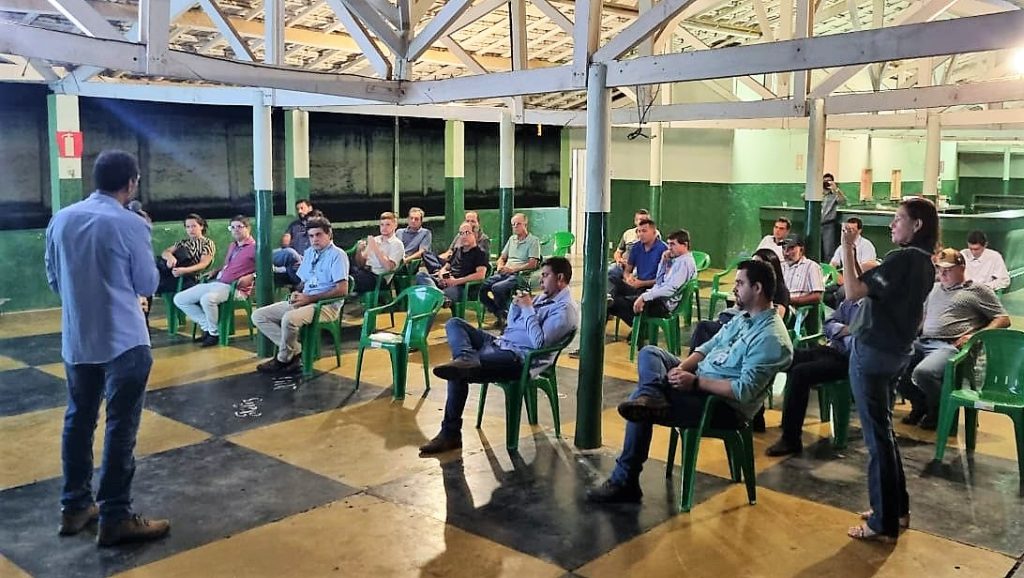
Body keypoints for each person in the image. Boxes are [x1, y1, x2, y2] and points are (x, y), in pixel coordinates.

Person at [586, 260, 793, 503]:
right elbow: (708, 347)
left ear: (757, 288)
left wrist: (694, 383)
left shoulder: (771, 338)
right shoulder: (744, 318)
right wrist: (681, 369)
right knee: (651, 353)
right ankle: (652, 395)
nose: (734, 288)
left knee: (639, 405)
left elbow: (743, 390)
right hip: (699, 380)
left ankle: (625, 479)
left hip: (720, 405)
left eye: (739, 283)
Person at [44, 150, 170, 546]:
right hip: (124, 340)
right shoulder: (130, 223)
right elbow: (147, 284)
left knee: (78, 420)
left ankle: (74, 507)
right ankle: (116, 516)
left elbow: (53, 279)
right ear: (131, 183)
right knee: (121, 426)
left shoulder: (61, 219)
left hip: (78, 338)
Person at [841, 196, 939, 542]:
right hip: (897, 352)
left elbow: (853, 291)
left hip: (873, 352)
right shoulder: (925, 263)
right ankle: (896, 508)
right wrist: (854, 256)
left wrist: (846, 247)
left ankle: (882, 522)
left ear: (917, 225)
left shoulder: (902, 260)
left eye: (898, 218)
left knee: (876, 437)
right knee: (884, 431)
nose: (892, 225)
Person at [419, 257, 579, 454]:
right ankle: (466, 358)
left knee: (456, 372)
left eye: (545, 276)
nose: (541, 280)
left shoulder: (565, 310)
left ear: (560, 278)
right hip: (501, 343)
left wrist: (528, 309)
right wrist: (516, 307)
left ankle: (450, 433)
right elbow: (511, 327)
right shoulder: (543, 297)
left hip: (517, 357)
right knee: (455, 324)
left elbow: (539, 343)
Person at [898, 248, 1010, 429]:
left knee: (923, 373)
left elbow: (1003, 319)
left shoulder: (977, 290)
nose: (942, 274)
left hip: (949, 346)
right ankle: (920, 405)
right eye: (940, 269)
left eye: (948, 270)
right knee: (890, 363)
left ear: (962, 267)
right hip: (923, 341)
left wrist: (974, 335)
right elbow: (924, 318)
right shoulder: (934, 288)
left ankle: (939, 411)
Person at [765, 282, 872, 457]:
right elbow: (828, 324)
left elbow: (860, 343)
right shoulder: (849, 303)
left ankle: (791, 439)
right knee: (786, 357)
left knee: (801, 373)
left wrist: (842, 332)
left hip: (849, 360)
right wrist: (847, 330)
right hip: (829, 350)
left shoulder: (874, 310)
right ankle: (758, 417)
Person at [251, 217, 349, 374]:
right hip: (306, 300)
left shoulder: (338, 255)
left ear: (329, 234)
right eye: (311, 236)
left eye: (318, 235)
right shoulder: (309, 253)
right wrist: (297, 292)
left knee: (289, 319)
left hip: (326, 305)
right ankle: (295, 351)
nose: (314, 239)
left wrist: (309, 298)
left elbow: (342, 290)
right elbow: (303, 281)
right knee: (259, 315)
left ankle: (283, 359)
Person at [173, 215, 257, 347]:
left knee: (207, 299)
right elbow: (229, 266)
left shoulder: (255, 248)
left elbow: (269, 268)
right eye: (232, 227)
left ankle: (214, 334)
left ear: (248, 228)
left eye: (239, 227)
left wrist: (253, 276)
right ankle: (207, 327)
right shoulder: (233, 246)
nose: (235, 230)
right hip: (218, 283)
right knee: (180, 299)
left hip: (235, 288)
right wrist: (217, 270)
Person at [607, 229, 696, 328]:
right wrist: (663, 262)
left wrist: (644, 297)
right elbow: (659, 281)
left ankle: (641, 328)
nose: (669, 248)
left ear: (685, 245)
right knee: (613, 281)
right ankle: (609, 300)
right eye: (668, 244)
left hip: (661, 304)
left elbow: (670, 289)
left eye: (672, 244)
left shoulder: (684, 263)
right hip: (655, 295)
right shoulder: (677, 260)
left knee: (614, 303)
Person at [480, 213, 541, 328]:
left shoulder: (533, 241)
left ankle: (506, 316)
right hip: (505, 272)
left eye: (518, 224)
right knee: (481, 288)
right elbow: (502, 258)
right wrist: (500, 266)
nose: (515, 227)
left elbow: (532, 264)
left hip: (519, 275)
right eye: (513, 224)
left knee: (497, 288)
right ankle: (501, 314)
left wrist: (512, 269)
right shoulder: (511, 239)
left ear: (525, 224)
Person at [608, 218, 668, 326]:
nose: (640, 234)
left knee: (615, 304)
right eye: (639, 231)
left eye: (644, 231)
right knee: (611, 279)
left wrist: (642, 283)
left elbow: (664, 280)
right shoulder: (636, 247)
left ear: (654, 233)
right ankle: (608, 300)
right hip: (637, 287)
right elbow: (627, 271)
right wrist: (628, 278)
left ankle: (639, 327)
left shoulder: (663, 250)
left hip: (652, 291)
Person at [415, 221, 489, 305]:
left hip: (462, 287)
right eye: (461, 233)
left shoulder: (480, 253)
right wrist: (442, 277)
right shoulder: (457, 250)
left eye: (467, 233)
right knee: (421, 275)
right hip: (448, 281)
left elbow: (480, 275)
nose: (463, 236)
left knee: (430, 295)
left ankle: (438, 295)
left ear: (475, 234)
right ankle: (439, 294)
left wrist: (455, 281)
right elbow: (445, 267)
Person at [155, 213, 215, 294]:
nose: (191, 229)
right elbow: (166, 252)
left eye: (194, 226)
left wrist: (184, 270)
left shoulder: (207, 243)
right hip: (172, 272)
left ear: (201, 226)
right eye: (188, 227)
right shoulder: (183, 242)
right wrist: (170, 257)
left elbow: (204, 264)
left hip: (190, 277)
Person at [352, 211, 406, 293]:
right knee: (343, 271)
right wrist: (359, 251)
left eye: (388, 225)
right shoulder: (376, 239)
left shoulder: (397, 244)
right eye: (382, 225)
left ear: (395, 226)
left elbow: (388, 267)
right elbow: (361, 264)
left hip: (379, 278)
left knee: (350, 280)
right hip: (366, 271)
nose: (384, 227)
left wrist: (375, 248)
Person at [424, 211, 491, 273]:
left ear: (478, 223)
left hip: (465, 266)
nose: (470, 223)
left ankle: (439, 272)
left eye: (473, 221)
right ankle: (438, 271)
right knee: (427, 255)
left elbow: (480, 260)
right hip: (451, 261)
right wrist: (438, 259)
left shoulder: (484, 239)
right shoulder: (459, 235)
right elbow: (450, 251)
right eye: (467, 221)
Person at [272, 199, 318, 286]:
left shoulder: (318, 227)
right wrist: (286, 238)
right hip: (294, 261)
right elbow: (285, 242)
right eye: (298, 209)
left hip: (307, 264)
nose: (299, 211)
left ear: (310, 208)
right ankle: (260, 260)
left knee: (290, 253)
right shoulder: (294, 225)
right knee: (283, 259)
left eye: (302, 208)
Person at [609, 209, 661, 286]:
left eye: (646, 220)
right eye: (641, 220)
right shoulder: (628, 233)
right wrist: (619, 260)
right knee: (610, 271)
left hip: (639, 266)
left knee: (633, 278)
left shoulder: (654, 235)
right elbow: (618, 251)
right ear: (635, 221)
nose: (643, 222)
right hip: (623, 264)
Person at [782, 235, 824, 307]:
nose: (786, 253)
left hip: (797, 308)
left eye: (791, 248)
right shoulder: (780, 266)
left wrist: (790, 301)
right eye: (783, 248)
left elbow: (817, 296)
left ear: (801, 250)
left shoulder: (811, 266)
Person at [821, 173, 847, 258]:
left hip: (828, 225)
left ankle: (829, 265)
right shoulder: (818, 194)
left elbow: (843, 201)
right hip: (816, 225)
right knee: (814, 249)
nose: (826, 183)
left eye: (828, 181)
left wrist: (836, 189)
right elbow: (803, 196)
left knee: (828, 251)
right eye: (824, 181)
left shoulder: (834, 195)